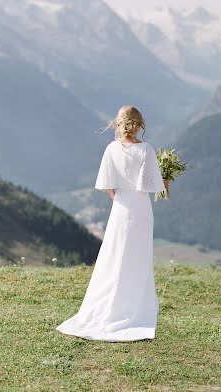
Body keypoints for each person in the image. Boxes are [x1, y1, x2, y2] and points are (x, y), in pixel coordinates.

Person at [56, 105, 168, 342]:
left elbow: (109, 186)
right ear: (139, 125)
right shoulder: (146, 150)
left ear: (118, 124)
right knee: (137, 257)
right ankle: (133, 307)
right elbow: (152, 187)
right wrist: (166, 179)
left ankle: (107, 307)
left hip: (120, 208)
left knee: (114, 256)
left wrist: (120, 200)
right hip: (140, 209)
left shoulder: (111, 149)